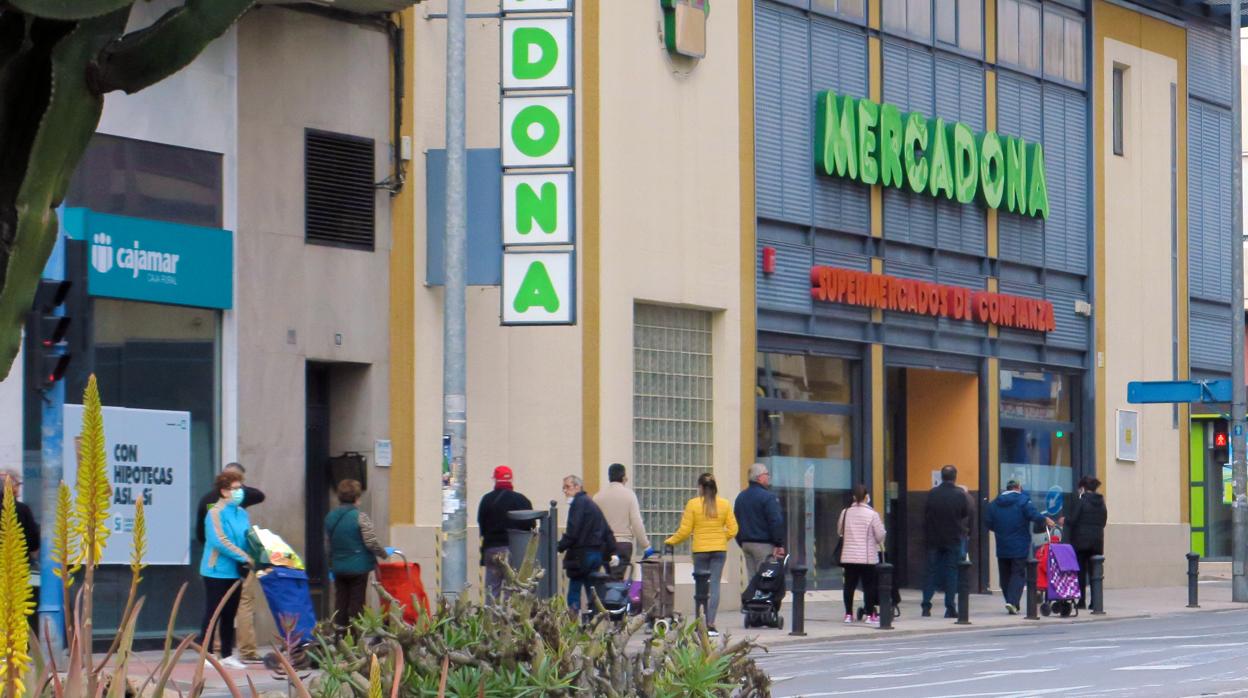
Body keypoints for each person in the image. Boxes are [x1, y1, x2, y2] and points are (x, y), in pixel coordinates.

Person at [195, 462, 265, 662]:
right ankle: (207, 653)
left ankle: (226, 654)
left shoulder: (242, 513)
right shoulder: (214, 512)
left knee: (230, 613)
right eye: (235, 489)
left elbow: (246, 536)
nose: (239, 493)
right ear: (224, 491)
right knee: (213, 612)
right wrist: (245, 557)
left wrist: (257, 549)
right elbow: (219, 541)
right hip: (216, 570)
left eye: (240, 489)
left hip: (236, 570)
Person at [665, 473, 738, 637]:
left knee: (700, 588)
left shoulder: (693, 504)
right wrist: (721, 539)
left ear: (700, 487)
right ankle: (711, 623)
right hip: (719, 551)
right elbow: (733, 529)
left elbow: (685, 531)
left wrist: (670, 541)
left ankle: (700, 622)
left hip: (700, 551)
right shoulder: (724, 504)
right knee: (715, 586)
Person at [325, 479, 393, 632]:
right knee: (356, 603)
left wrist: (331, 563)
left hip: (338, 567)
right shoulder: (360, 517)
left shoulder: (330, 517)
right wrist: (383, 553)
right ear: (357, 498)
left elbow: (328, 544)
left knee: (340, 601)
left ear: (339, 497)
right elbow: (370, 542)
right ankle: (354, 639)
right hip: (358, 568)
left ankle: (340, 636)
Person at [986, 480, 1054, 614]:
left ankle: (1011, 602)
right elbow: (1033, 515)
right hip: (1019, 543)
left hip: (1002, 544)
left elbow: (988, 522)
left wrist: (1000, 531)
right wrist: (1045, 519)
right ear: (1019, 488)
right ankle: (1012, 601)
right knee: (1018, 573)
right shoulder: (1023, 500)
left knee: (1005, 574)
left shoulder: (994, 504)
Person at [558, 475, 617, 613]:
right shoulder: (591, 504)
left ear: (577, 487)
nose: (565, 491)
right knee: (592, 589)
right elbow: (606, 529)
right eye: (564, 488)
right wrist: (612, 552)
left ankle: (572, 621)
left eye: (567, 487)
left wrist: (559, 546)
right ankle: (594, 620)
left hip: (580, 554)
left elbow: (573, 530)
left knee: (574, 588)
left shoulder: (577, 504)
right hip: (595, 554)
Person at [476, 465, 535, 601]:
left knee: (492, 590)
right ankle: (509, 620)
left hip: (492, 550)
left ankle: (491, 620)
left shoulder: (486, 500)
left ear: (495, 479)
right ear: (511, 479)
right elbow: (530, 526)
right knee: (513, 590)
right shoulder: (522, 500)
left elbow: (482, 525)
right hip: (514, 551)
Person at [921, 465, 970, 618]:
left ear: (941, 477)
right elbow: (964, 513)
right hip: (953, 537)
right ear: (955, 477)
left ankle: (926, 606)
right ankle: (950, 607)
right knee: (951, 573)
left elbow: (926, 513)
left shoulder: (932, 493)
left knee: (930, 572)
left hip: (933, 538)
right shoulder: (960, 495)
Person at [594, 463, 651, 581]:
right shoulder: (629, 495)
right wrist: (646, 545)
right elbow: (636, 522)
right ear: (623, 477)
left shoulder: (598, 497)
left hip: (604, 545)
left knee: (608, 577)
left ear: (609, 476)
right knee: (618, 580)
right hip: (623, 544)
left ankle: (606, 598)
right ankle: (615, 598)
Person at [838, 484, 886, 625]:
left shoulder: (845, 512)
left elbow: (839, 531)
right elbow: (880, 535)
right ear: (867, 497)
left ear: (853, 497)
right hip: (867, 557)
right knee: (868, 586)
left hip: (849, 556)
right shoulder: (872, 514)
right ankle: (870, 614)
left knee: (849, 586)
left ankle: (848, 614)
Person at [734, 462, 785, 577]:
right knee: (766, 580)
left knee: (753, 581)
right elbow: (775, 521)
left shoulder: (741, 497)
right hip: (764, 545)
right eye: (767, 474)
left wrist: (741, 541)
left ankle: (753, 595)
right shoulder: (768, 497)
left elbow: (735, 521)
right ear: (760, 477)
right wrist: (778, 543)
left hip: (746, 543)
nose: (768, 477)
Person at [1066, 476, 1107, 608]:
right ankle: (1095, 601)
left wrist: (1064, 520)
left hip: (1081, 542)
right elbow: (1104, 521)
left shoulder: (1082, 501)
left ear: (1083, 488)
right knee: (1095, 572)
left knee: (1081, 572)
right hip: (1097, 542)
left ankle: (1082, 601)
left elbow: (1073, 520)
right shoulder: (1101, 502)